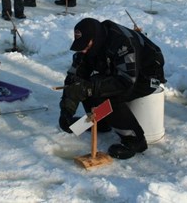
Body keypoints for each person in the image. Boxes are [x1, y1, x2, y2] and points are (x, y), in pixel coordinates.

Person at [58, 18, 166, 160]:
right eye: (81, 45)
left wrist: (89, 89)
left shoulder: (123, 43)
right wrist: (67, 110)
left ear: (95, 39)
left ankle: (135, 141)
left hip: (146, 76)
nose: (83, 49)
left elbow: (126, 82)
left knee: (104, 94)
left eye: (86, 45)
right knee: (86, 85)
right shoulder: (89, 45)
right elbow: (74, 77)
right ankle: (101, 123)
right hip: (119, 71)